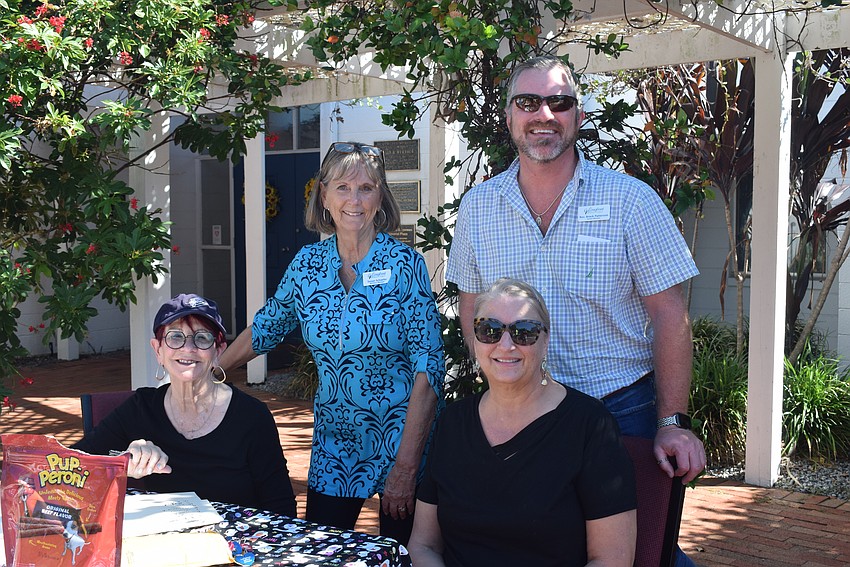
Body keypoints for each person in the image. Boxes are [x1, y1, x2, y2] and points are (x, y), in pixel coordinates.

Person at [446, 55, 704, 566]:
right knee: (542, 544)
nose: (544, 114)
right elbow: (472, 308)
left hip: (618, 408)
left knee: (640, 550)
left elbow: (671, 316)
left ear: (578, 116)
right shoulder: (478, 205)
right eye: (528, 102)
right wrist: (499, 388)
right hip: (520, 413)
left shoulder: (632, 200)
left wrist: (672, 420)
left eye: (558, 102)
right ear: (508, 116)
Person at [218, 141, 445, 545]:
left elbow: (428, 370)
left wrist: (407, 466)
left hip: (401, 441)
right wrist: (213, 371)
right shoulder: (307, 265)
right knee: (320, 550)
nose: (353, 200)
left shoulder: (405, 265)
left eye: (366, 188)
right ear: (323, 195)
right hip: (335, 445)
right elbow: (265, 329)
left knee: (403, 554)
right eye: (342, 187)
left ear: (380, 197)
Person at [408, 278, 636, 567]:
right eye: (489, 330)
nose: (506, 345)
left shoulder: (590, 426)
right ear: (475, 340)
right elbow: (423, 545)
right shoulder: (453, 423)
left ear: (545, 341)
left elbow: (613, 559)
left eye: (524, 332)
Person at [74, 293, 297, 517]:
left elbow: (281, 506)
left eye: (202, 338)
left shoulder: (251, 416)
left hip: (238, 544)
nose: (188, 348)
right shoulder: (141, 409)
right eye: (175, 337)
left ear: (218, 350)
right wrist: (122, 461)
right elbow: (69, 465)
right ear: (158, 350)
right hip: (168, 542)